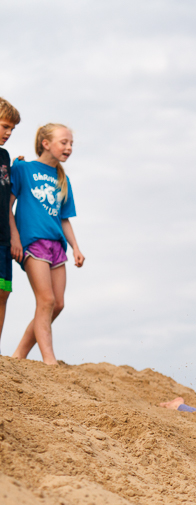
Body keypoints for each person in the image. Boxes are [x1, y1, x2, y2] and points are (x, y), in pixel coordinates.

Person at [8, 124, 85, 365]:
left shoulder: (63, 179)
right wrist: (15, 237)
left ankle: (20, 353)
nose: (69, 147)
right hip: (33, 243)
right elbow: (7, 206)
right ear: (45, 143)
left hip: (56, 246)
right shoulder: (23, 169)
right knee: (46, 300)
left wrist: (76, 247)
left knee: (57, 304)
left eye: (71, 143)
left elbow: (64, 218)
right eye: (64, 142)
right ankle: (49, 359)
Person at [0, 97, 21, 354]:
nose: (8, 133)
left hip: (4, 238)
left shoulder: (5, 156)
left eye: (12, 129)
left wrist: (14, 235)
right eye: (5, 126)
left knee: (2, 293)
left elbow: (6, 200)